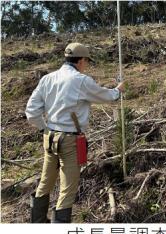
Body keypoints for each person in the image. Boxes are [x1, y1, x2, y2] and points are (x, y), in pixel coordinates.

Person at [25, 42, 125, 223]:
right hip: (69, 140)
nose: (86, 65)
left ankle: (37, 224)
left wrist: (44, 129)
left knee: (45, 183)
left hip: (49, 137)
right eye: (86, 61)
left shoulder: (48, 78)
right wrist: (118, 91)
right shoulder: (80, 80)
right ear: (80, 60)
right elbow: (105, 96)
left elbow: (31, 111)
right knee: (67, 190)